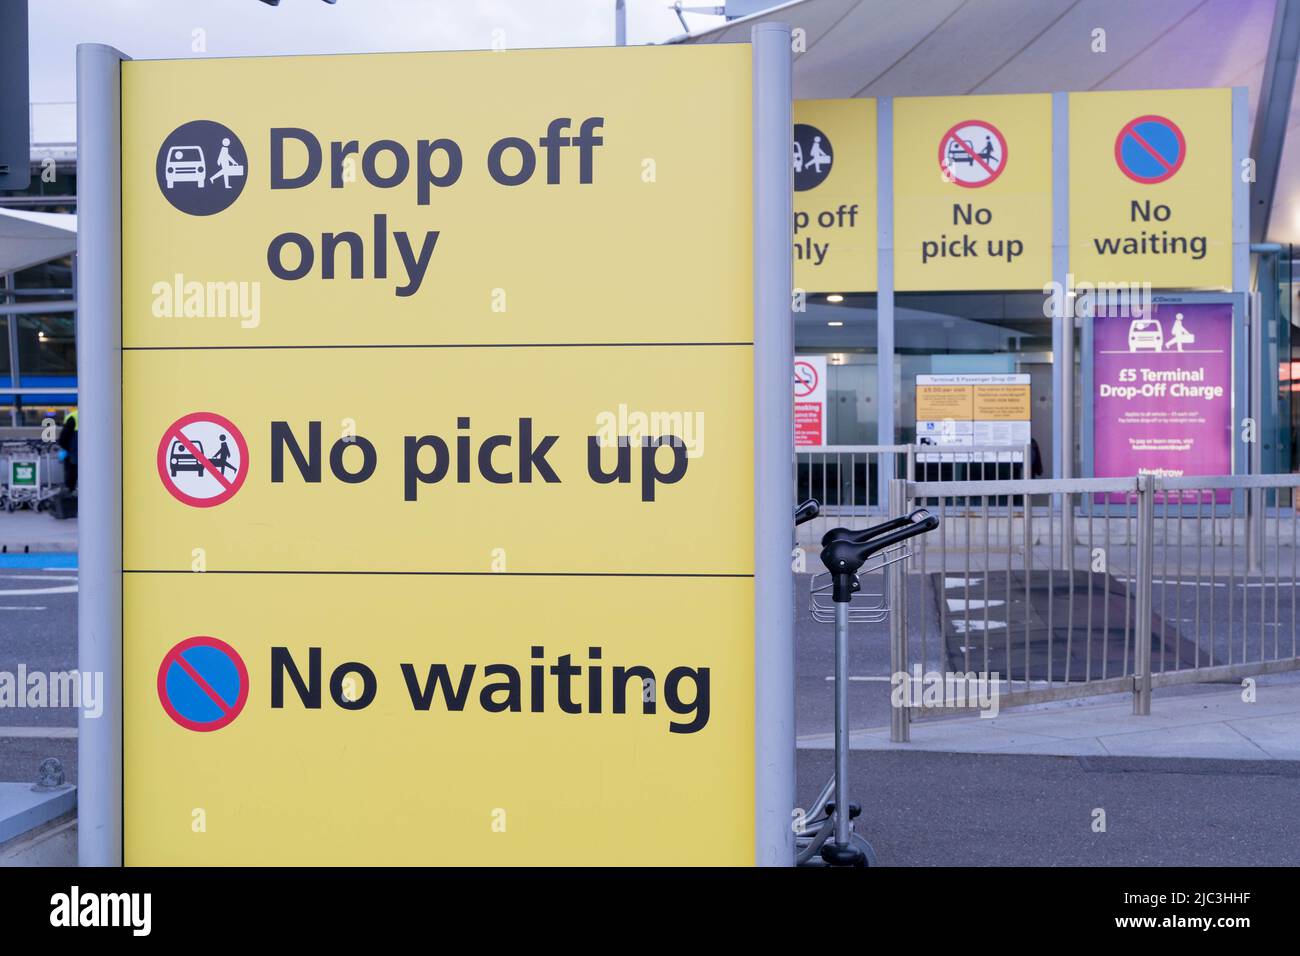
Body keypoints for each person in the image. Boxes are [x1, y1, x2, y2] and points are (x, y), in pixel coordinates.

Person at [56, 408, 78, 492]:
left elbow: (64, 435)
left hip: (74, 451)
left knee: (72, 471)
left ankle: (71, 490)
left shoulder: (73, 416)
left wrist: (64, 447)